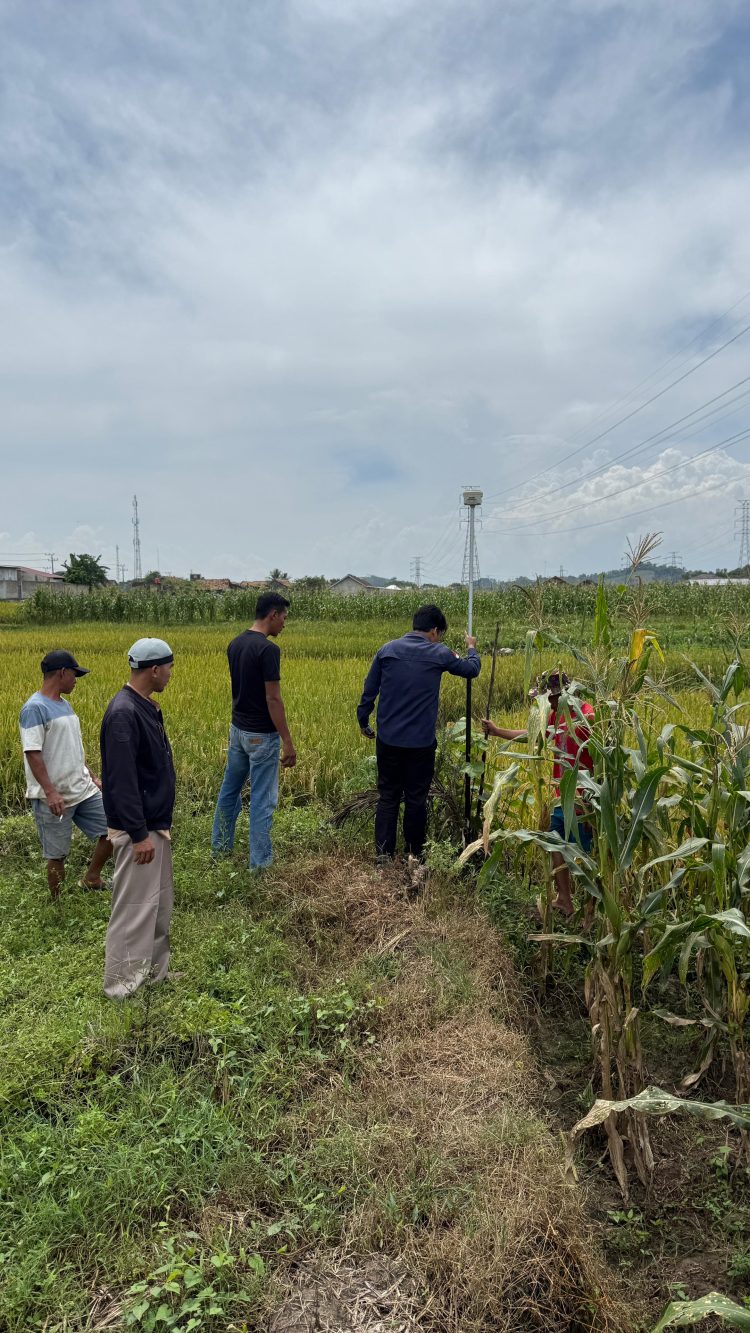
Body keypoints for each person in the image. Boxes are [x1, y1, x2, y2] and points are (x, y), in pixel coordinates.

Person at [357, 603, 481, 864]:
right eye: (440, 634)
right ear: (435, 631)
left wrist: (363, 720)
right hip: (421, 743)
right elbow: (472, 670)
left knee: (388, 796)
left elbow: (370, 690)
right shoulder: (439, 653)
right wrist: (471, 648)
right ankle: (414, 854)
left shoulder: (387, 650)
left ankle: (383, 857)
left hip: (388, 739)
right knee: (416, 798)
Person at [482, 671, 594, 916]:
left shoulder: (588, 715)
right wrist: (498, 731)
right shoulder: (554, 716)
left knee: (587, 858)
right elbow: (532, 736)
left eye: (549, 699)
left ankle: (590, 913)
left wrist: (591, 802)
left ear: (561, 695)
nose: (547, 704)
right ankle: (564, 900)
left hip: (584, 799)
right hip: (560, 795)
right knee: (555, 843)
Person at [100, 638, 176, 999]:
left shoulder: (144, 705)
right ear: (154, 669)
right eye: (169, 668)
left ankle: (155, 974)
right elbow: (121, 781)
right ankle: (121, 987)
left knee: (158, 905)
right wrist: (139, 832)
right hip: (138, 831)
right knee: (133, 910)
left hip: (154, 825)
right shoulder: (123, 713)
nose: (171, 675)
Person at [211, 592, 296, 870]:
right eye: (284, 617)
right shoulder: (269, 650)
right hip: (262, 736)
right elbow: (273, 698)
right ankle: (260, 865)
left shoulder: (235, 643)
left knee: (229, 790)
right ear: (273, 615)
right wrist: (287, 740)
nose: (285, 623)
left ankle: (221, 849)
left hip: (238, 730)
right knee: (262, 801)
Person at [19, 649, 112, 900]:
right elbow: (33, 753)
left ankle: (92, 878)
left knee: (115, 829)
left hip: (82, 788)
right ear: (62, 672)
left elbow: (71, 748)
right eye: (74, 674)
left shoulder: (64, 704)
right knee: (57, 854)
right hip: (55, 796)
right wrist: (50, 792)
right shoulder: (34, 708)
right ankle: (57, 904)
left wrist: (91, 775)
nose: (76, 680)